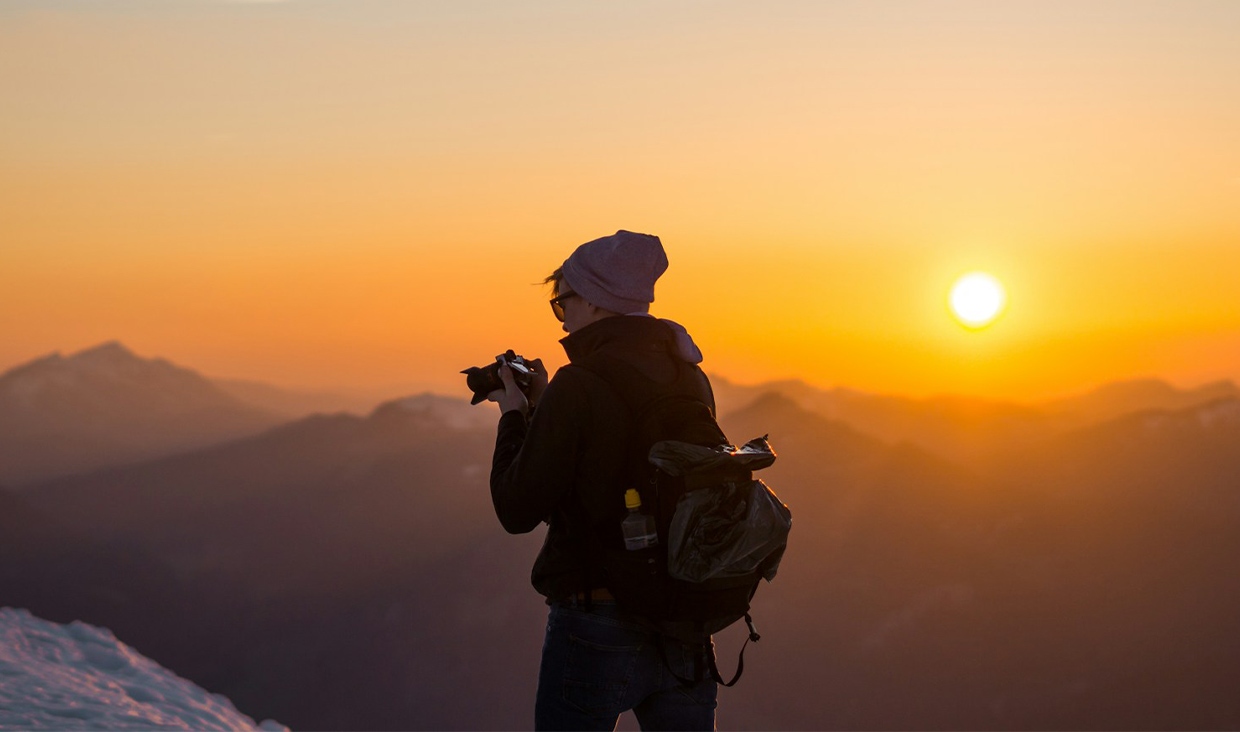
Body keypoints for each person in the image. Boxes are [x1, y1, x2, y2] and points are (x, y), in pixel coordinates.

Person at [487, 230, 720, 731]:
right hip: (684, 620)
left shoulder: (582, 383)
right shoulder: (689, 376)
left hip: (597, 621)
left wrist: (514, 416)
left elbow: (517, 509)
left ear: (595, 300)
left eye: (561, 300)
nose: (561, 314)